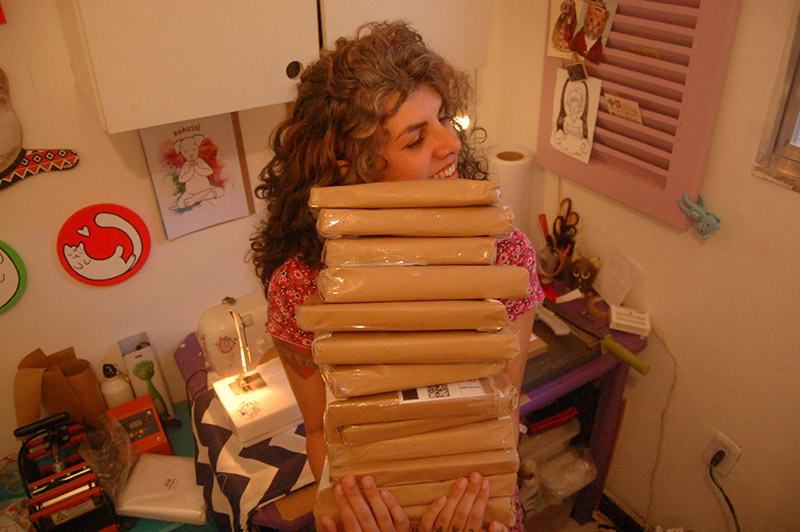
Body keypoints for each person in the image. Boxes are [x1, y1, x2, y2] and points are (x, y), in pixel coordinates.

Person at [249, 20, 544, 531]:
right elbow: (321, 433)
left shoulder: (504, 257)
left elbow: (502, 407)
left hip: (477, 507)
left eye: (444, 118)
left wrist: (479, 503)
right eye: (415, 139)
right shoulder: (303, 286)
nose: (452, 143)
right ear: (351, 163)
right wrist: (359, 509)